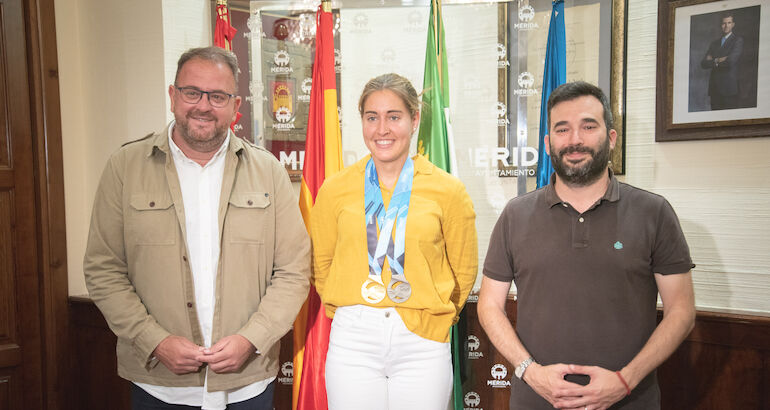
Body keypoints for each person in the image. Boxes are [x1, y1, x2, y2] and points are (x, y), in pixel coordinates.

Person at [83, 46, 310, 410]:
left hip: (247, 384)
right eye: (192, 92)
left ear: (235, 106)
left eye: (218, 96)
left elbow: (293, 270)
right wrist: (154, 340)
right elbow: (103, 269)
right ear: (173, 96)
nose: (203, 105)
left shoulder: (268, 171)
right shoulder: (125, 168)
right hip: (159, 384)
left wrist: (252, 339)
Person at [478, 81, 696, 410]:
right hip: (536, 400)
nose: (575, 140)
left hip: (629, 401)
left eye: (588, 126)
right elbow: (489, 306)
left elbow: (681, 312)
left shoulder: (654, 212)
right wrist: (530, 372)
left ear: (611, 137)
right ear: (548, 143)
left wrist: (625, 381)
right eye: (562, 129)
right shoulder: (515, 215)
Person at [310, 73, 477, 410]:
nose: (382, 129)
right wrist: (351, 309)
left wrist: (437, 316)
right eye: (372, 117)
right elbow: (321, 265)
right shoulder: (335, 189)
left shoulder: (448, 190)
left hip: (422, 340)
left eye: (394, 117)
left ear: (414, 120)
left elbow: (464, 268)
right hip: (353, 338)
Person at [700, 12, 743, 110]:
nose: (726, 26)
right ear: (721, 25)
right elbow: (703, 64)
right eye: (724, 23)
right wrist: (718, 59)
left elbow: (730, 61)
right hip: (714, 89)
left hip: (729, 89)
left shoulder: (737, 40)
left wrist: (713, 60)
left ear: (733, 24)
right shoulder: (714, 43)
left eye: (729, 23)